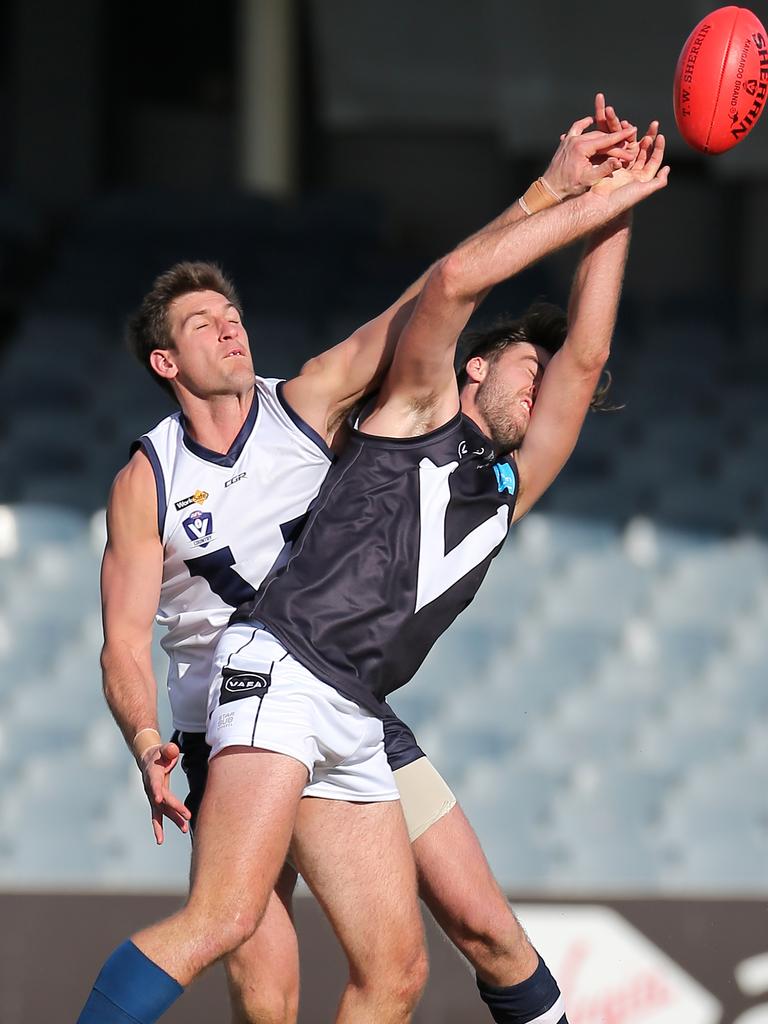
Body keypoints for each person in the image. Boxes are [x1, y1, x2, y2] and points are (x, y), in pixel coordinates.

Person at [79, 99, 664, 1024]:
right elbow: (444, 291)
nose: (231, 329)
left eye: (233, 313)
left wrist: (620, 203)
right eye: (203, 323)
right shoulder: (406, 413)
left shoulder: (446, 458)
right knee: (241, 946)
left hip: (350, 705)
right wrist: (566, 199)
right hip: (261, 682)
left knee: (401, 972)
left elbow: (583, 361)